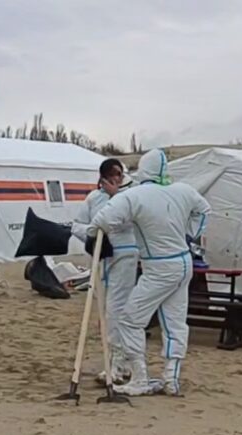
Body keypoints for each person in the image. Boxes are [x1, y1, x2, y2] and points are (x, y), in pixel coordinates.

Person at [88, 149, 211, 396]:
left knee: (130, 320)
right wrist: (190, 232)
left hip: (159, 267)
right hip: (183, 262)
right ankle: (171, 378)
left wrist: (92, 236)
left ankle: (140, 377)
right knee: (175, 322)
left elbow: (101, 220)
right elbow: (205, 210)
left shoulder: (135, 196)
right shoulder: (182, 191)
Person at [71, 158, 138, 384]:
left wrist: (116, 196)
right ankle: (113, 362)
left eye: (119, 173)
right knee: (104, 311)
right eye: (111, 174)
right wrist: (93, 235)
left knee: (117, 310)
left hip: (125, 256)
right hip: (101, 257)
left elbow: (133, 221)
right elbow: (77, 225)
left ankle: (119, 365)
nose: (116, 178)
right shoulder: (93, 198)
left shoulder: (131, 194)